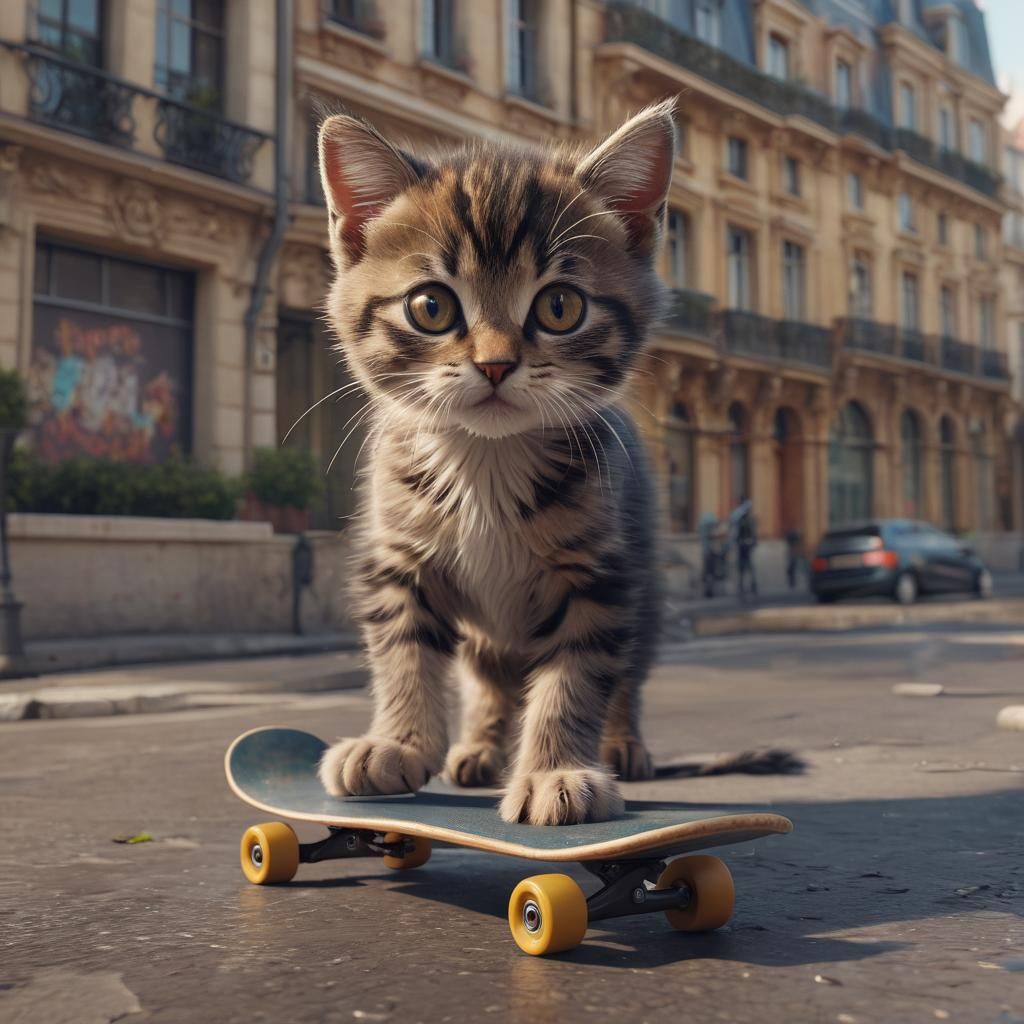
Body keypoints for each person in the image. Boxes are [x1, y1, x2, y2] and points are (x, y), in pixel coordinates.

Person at [735, 499, 758, 600]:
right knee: (742, 569)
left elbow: (753, 536)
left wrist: (751, 542)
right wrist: (742, 542)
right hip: (742, 549)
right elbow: (738, 536)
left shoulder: (750, 521)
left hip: (747, 548)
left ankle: (753, 586)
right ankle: (741, 588)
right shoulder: (741, 520)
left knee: (750, 568)